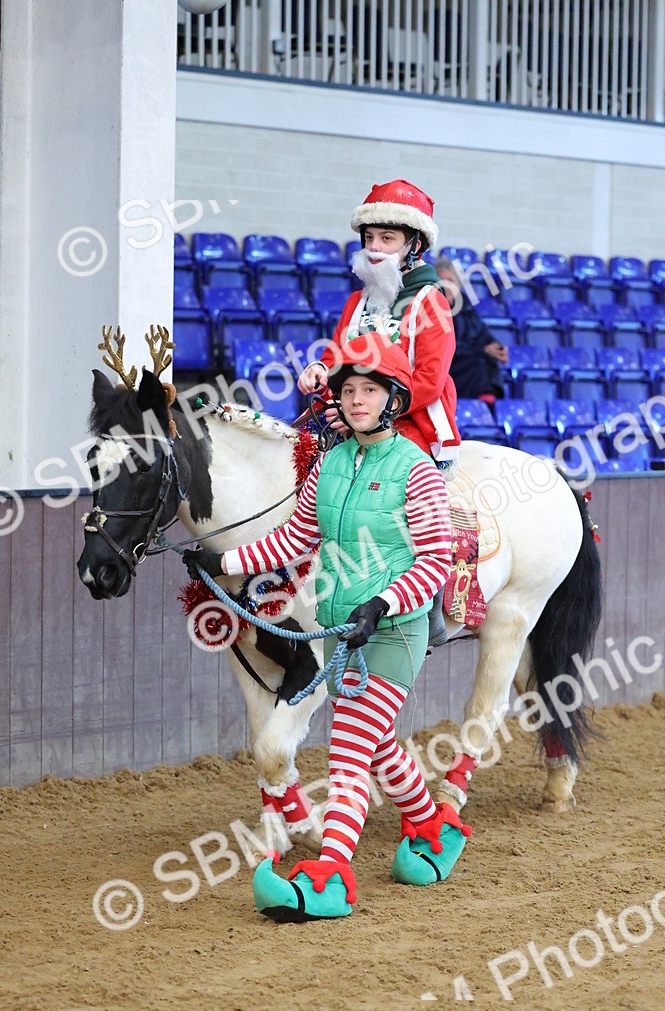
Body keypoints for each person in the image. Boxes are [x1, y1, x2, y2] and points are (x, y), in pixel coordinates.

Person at [182, 334, 472, 922]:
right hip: (343, 628)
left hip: (392, 629)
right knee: (379, 743)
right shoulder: (334, 464)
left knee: (347, 747)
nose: (357, 399)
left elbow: (435, 557)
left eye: (370, 390)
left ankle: (331, 873)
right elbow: (296, 540)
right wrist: (223, 562)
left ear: (393, 399)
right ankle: (432, 828)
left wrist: (383, 605)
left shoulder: (415, 469)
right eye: (349, 390)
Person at [298, 179, 461, 466]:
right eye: (369, 237)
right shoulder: (355, 301)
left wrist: (363, 415)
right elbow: (334, 360)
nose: (374, 248)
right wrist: (319, 371)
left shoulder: (431, 301)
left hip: (408, 421)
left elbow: (429, 382)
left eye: (387, 238)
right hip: (352, 414)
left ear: (416, 244)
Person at [435, 256, 509, 401]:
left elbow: (483, 334)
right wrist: (482, 350)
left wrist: (498, 348)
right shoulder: (430, 311)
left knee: (488, 358)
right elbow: (445, 350)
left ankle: (488, 402)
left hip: (467, 363)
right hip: (446, 368)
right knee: (480, 361)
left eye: (451, 281)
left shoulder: (466, 308)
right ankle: (483, 402)